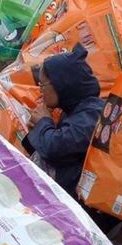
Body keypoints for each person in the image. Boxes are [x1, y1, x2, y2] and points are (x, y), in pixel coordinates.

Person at [25, 48, 104, 199]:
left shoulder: (93, 114)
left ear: (62, 84)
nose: (41, 91)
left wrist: (43, 123)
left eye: (42, 85)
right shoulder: (74, 110)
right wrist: (36, 132)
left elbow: (57, 148)